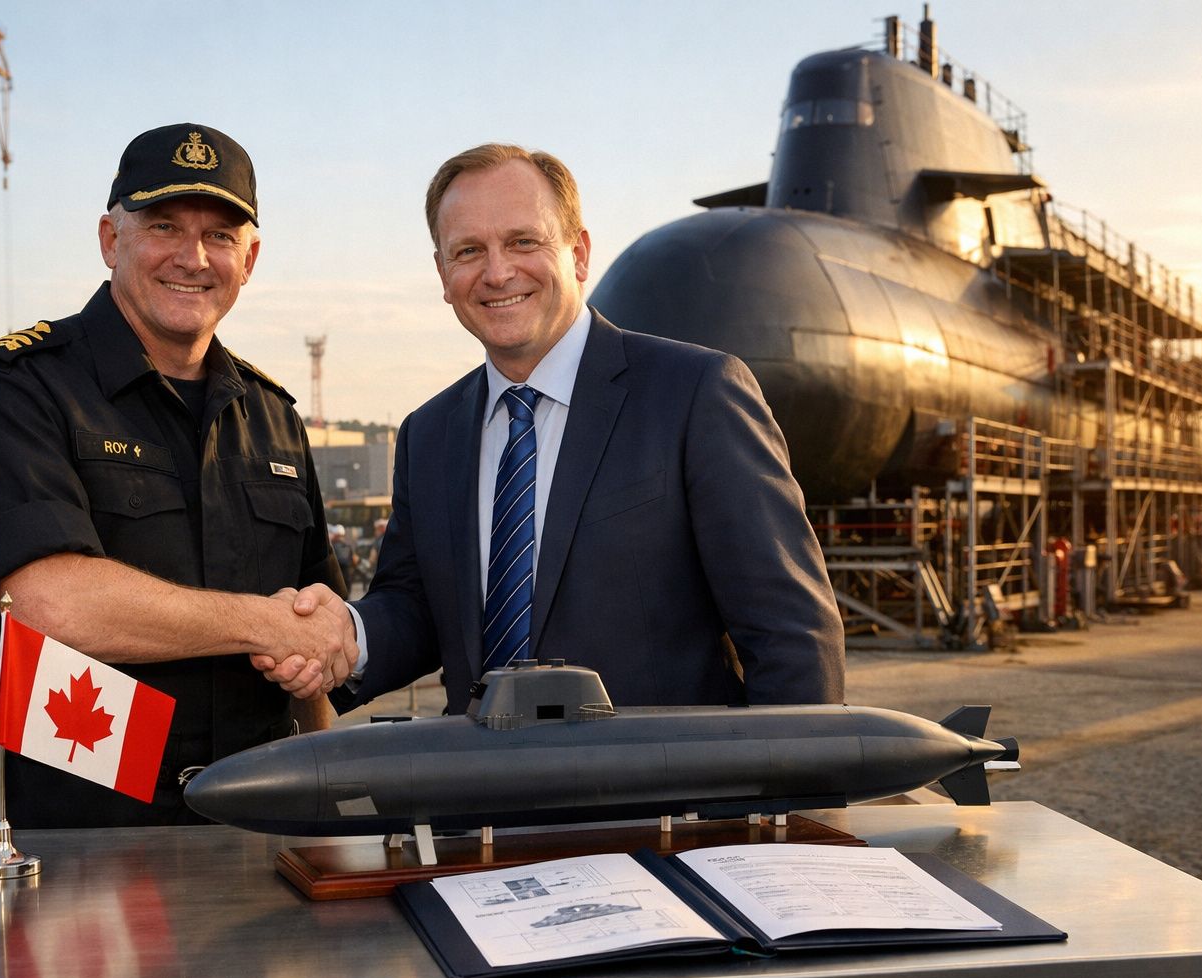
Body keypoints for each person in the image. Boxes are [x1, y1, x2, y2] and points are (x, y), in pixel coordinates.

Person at [272, 143, 844, 714]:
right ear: (443, 274)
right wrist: (348, 634)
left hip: (659, 798)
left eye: (524, 241)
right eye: (468, 250)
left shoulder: (696, 393)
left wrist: (791, 800)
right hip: (480, 795)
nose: (497, 272)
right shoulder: (429, 433)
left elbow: (789, 634)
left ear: (579, 253)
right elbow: (418, 606)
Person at [0, 123, 357, 830]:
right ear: (110, 239)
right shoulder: (13, 391)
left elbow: (311, 620)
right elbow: (49, 604)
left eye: (221, 235)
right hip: (73, 832)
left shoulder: (274, 418)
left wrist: (333, 785)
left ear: (249, 260)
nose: (193, 257)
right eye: (163, 225)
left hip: (256, 822)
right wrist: (265, 624)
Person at [329, 524, 358, 596]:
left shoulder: (331, 545)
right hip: (347, 573)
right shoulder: (348, 545)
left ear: (336, 535)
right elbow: (353, 559)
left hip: (336, 573)